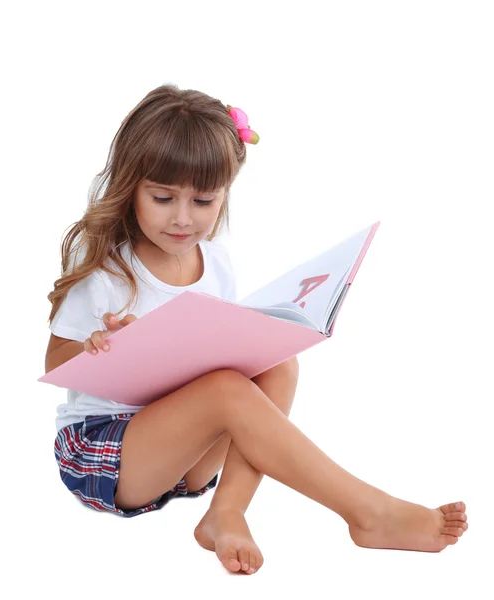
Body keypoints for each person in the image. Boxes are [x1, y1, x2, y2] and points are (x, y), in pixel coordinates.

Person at [45, 84, 468, 576]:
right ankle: (367, 512)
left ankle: (226, 511)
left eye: (203, 201)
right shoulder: (107, 268)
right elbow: (54, 362)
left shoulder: (216, 261)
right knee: (226, 390)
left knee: (279, 362)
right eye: (162, 198)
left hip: (188, 461)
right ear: (130, 186)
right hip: (106, 454)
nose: (183, 219)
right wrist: (99, 346)